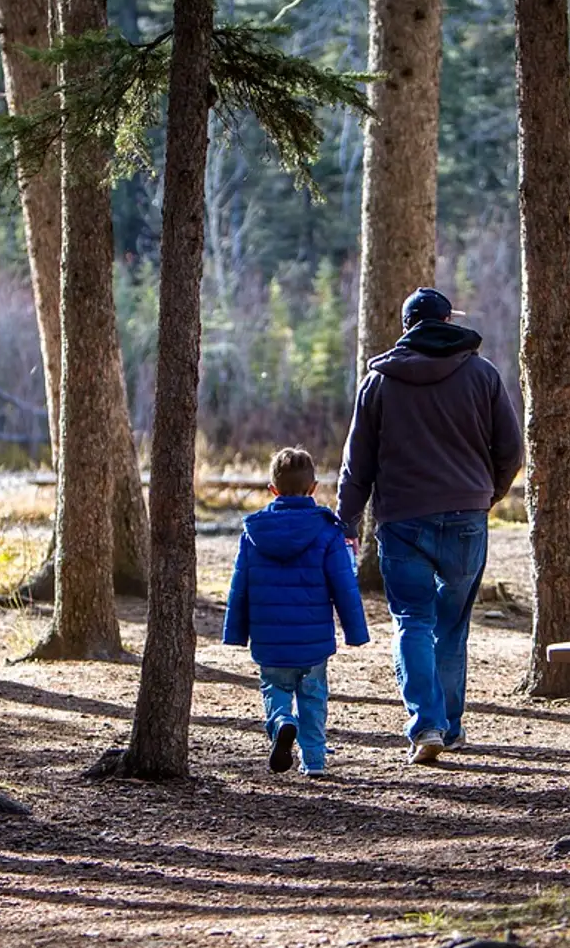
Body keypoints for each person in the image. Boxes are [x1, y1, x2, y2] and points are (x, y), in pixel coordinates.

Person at [338, 288, 523, 765]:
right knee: (451, 627)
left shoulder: (378, 383)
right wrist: (487, 494)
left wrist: (347, 519)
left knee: (412, 623)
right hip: (466, 517)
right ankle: (451, 727)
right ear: (446, 321)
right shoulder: (482, 375)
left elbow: (356, 464)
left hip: (401, 521)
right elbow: (511, 450)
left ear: (407, 327)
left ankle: (427, 726)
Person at [223, 448, 371, 777]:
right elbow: (343, 584)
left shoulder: (254, 533)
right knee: (313, 696)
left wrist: (235, 632)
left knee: (274, 687)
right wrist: (355, 631)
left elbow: (240, 585)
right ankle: (314, 761)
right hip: (313, 639)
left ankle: (280, 722)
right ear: (313, 487)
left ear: (272, 490)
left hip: (269, 638)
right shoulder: (328, 531)